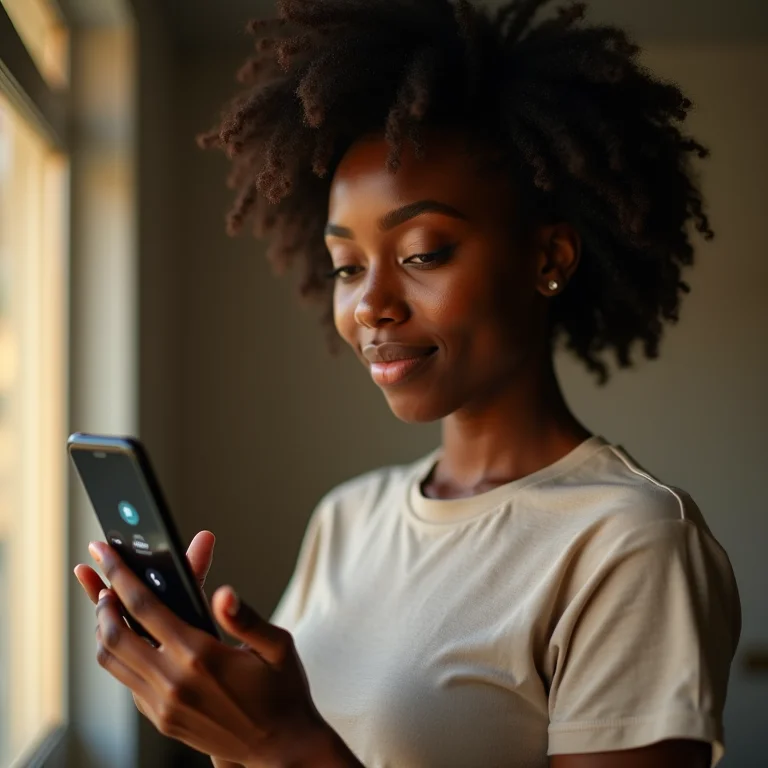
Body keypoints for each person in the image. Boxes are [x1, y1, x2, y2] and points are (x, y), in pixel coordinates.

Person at [74, 1, 742, 766]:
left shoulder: (628, 543)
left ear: (549, 258)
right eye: (346, 267)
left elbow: (293, 751)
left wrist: (283, 747)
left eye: (423, 253)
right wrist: (224, 718)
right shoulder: (347, 519)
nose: (369, 307)